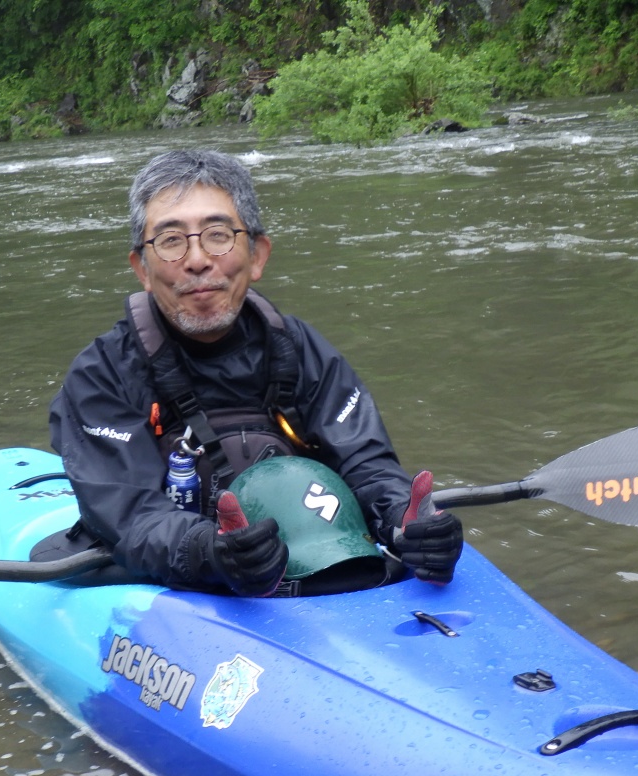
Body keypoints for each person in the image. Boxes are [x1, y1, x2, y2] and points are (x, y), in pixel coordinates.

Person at [49, 148, 463, 597]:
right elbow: (130, 514)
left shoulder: (302, 351)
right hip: (195, 570)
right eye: (170, 240)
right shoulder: (101, 375)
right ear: (142, 269)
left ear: (257, 255)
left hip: (315, 550)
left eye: (218, 235)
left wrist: (404, 519)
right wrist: (209, 552)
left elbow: (366, 465)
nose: (197, 260)